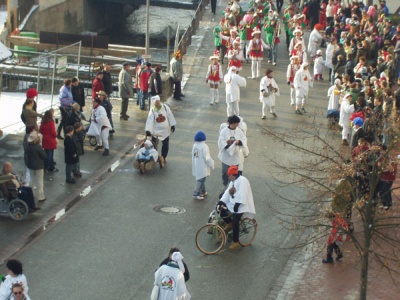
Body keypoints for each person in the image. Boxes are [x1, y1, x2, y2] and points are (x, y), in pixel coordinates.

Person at [217, 165, 256, 250]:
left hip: (242, 204)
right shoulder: (233, 181)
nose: (228, 177)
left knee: (235, 221)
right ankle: (228, 223)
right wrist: (221, 202)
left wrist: (237, 205)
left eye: (228, 175)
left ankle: (236, 241)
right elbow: (227, 192)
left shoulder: (243, 181)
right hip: (233, 202)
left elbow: (242, 194)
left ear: (232, 175)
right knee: (221, 209)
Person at [145, 95, 177, 167]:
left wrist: (172, 124)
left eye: (158, 101)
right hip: (156, 131)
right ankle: (154, 156)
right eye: (156, 102)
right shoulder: (152, 110)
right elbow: (150, 120)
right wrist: (148, 130)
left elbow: (170, 115)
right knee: (154, 145)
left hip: (165, 131)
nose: (158, 103)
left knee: (165, 145)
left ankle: (163, 157)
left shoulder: (165, 107)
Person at [218, 115, 248, 188]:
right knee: (225, 172)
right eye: (235, 123)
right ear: (230, 123)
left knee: (235, 173)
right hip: (226, 157)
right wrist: (229, 146)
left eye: (237, 123)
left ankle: (235, 186)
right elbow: (221, 141)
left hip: (235, 156)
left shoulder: (239, 131)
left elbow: (244, 140)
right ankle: (225, 184)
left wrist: (239, 142)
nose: (236, 125)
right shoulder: (224, 131)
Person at [192, 131, 214, 200]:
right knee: (200, 180)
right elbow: (206, 158)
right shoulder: (204, 146)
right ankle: (196, 193)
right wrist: (211, 164)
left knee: (201, 179)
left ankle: (203, 191)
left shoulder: (195, 145)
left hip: (197, 165)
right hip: (202, 166)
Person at [26, 131, 46, 202]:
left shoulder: (28, 146)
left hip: (31, 165)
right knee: (40, 181)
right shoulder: (38, 147)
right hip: (39, 166)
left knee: (32, 179)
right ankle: (41, 196)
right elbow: (44, 156)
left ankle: (30, 194)